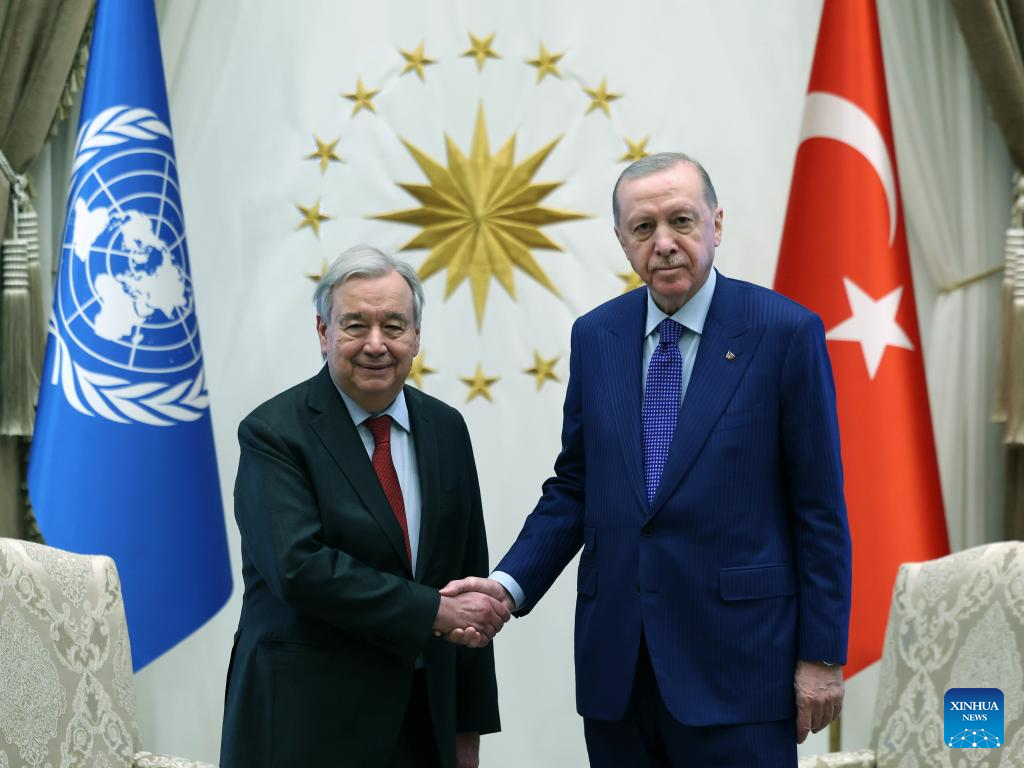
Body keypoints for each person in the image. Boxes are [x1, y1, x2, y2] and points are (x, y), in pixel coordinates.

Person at [442, 153, 852, 766]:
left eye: (681, 221)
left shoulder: (784, 332)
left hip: (740, 671)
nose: (663, 243)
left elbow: (818, 509)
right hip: (620, 673)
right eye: (643, 227)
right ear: (621, 240)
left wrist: (821, 657)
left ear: (716, 223)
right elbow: (576, 487)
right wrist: (506, 586)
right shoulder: (596, 336)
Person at [220, 245, 508, 768]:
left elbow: (468, 576)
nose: (376, 344)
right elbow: (298, 568)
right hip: (305, 729)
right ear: (323, 332)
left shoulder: (446, 430)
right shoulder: (273, 433)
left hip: (423, 728)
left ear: (416, 337)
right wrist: (434, 612)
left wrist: (468, 731)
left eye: (393, 326)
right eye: (355, 326)